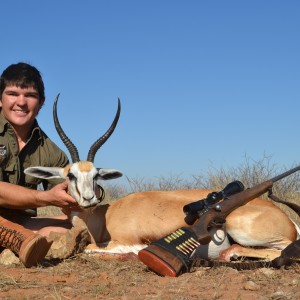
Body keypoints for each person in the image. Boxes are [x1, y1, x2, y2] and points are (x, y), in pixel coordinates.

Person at [0, 62, 89, 267]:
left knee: (73, 225)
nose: (21, 102)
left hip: (19, 222)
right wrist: (45, 198)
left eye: (30, 95)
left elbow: (70, 198)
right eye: (13, 94)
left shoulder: (52, 152)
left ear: (41, 103)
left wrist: (85, 193)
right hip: (15, 226)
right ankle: (22, 240)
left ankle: (21, 241)